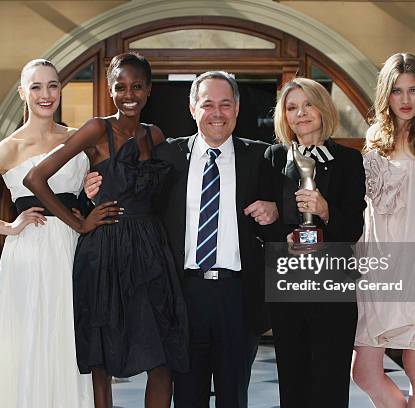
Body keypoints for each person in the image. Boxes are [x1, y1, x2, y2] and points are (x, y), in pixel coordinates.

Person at [85, 70, 279, 408]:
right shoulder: (167, 155)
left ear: (236, 108)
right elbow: (129, 190)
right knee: (188, 396)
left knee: (234, 396)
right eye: (207, 104)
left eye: (225, 104)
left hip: (238, 296)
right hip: (180, 296)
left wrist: (275, 211)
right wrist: (93, 193)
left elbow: (283, 217)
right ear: (192, 109)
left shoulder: (262, 157)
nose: (216, 113)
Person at [24, 52, 188, 408]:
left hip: (150, 249)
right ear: (110, 90)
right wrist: (80, 223)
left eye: (137, 86)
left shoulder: (155, 135)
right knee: (103, 358)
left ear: (148, 91)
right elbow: (35, 179)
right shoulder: (96, 128)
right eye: (120, 87)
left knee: (161, 358)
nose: (129, 94)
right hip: (105, 250)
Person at [0, 59, 93, 407]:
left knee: (69, 337)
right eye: (37, 87)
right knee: (29, 336)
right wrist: (9, 228)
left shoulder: (78, 139)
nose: (46, 94)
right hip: (28, 253)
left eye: (53, 85)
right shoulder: (9, 147)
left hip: (73, 250)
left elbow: (93, 191)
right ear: (22, 93)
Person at [351, 52, 415, 407]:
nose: (406, 100)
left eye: (413, 90)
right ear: (385, 95)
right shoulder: (375, 134)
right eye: (397, 91)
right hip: (374, 262)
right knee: (364, 371)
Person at [264, 77, 366, 407]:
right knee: (292, 384)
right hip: (288, 283)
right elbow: (262, 223)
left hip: (333, 286)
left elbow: (354, 228)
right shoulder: (274, 158)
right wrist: (283, 233)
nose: (301, 113)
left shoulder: (350, 162)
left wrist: (325, 209)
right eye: (292, 107)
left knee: (331, 383)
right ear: (284, 116)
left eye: (308, 104)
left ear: (323, 108)